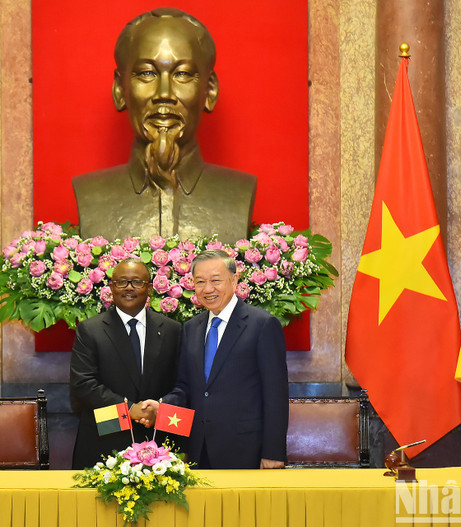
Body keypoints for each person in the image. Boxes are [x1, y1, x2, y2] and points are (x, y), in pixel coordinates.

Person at [72, 7, 256, 242]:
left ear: (209, 90)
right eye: (147, 73)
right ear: (120, 90)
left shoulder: (239, 192)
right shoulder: (91, 194)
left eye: (182, 74)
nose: (164, 94)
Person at [134, 250, 288, 469]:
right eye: (200, 282)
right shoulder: (191, 328)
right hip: (200, 449)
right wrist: (161, 407)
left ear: (235, 280)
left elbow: (276, 394)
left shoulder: (262, 325)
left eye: (216, 281)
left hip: (247, 449)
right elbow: (186, 387)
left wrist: (273, 452)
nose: (208, 289)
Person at [69, 258, 182, 469]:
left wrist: (159, 409)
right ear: (111, 287)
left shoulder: (172, 330)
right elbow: (83, 384)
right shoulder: (89, 330)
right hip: (105, 439)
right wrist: (129, 409)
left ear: (149, 288)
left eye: (137, 282)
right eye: (122, 282)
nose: (129, 288)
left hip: (159, 443)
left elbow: (182, 381)